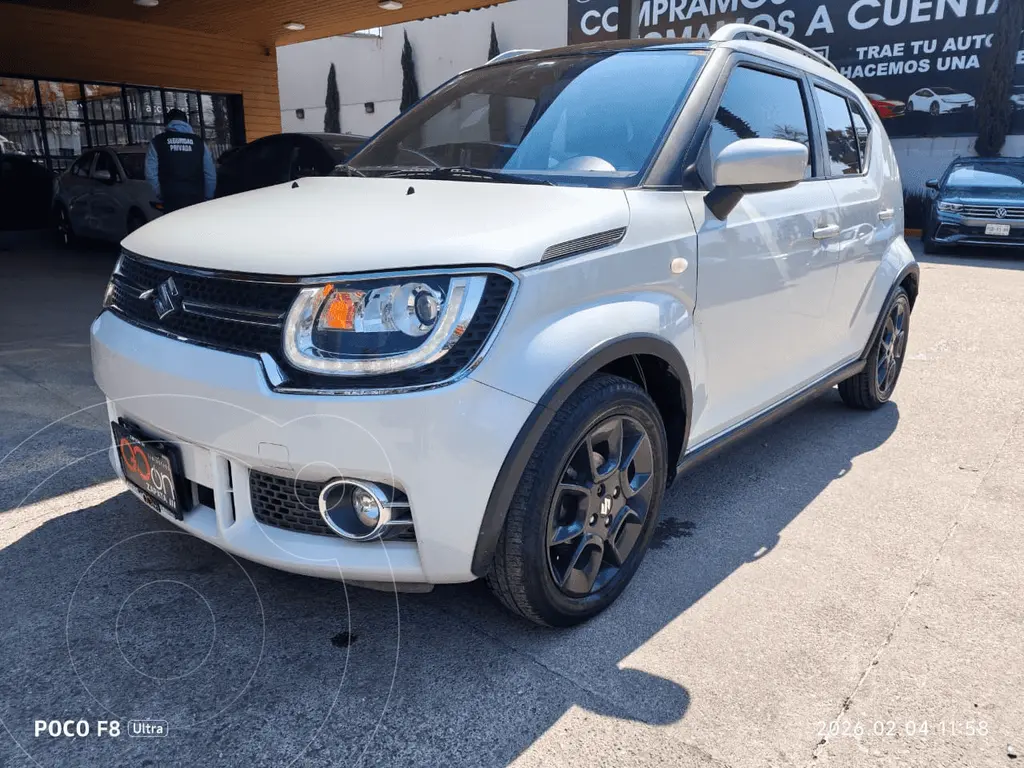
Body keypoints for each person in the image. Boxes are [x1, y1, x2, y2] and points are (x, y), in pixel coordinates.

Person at [145, 108, 216, 212]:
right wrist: (208, 197)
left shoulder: (157, 142)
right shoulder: (199, 143)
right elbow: (210, 174)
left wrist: (160, 194)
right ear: (186, 122)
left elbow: (151, 174)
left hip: (170, 199)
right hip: (197, 199)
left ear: (168, 123)